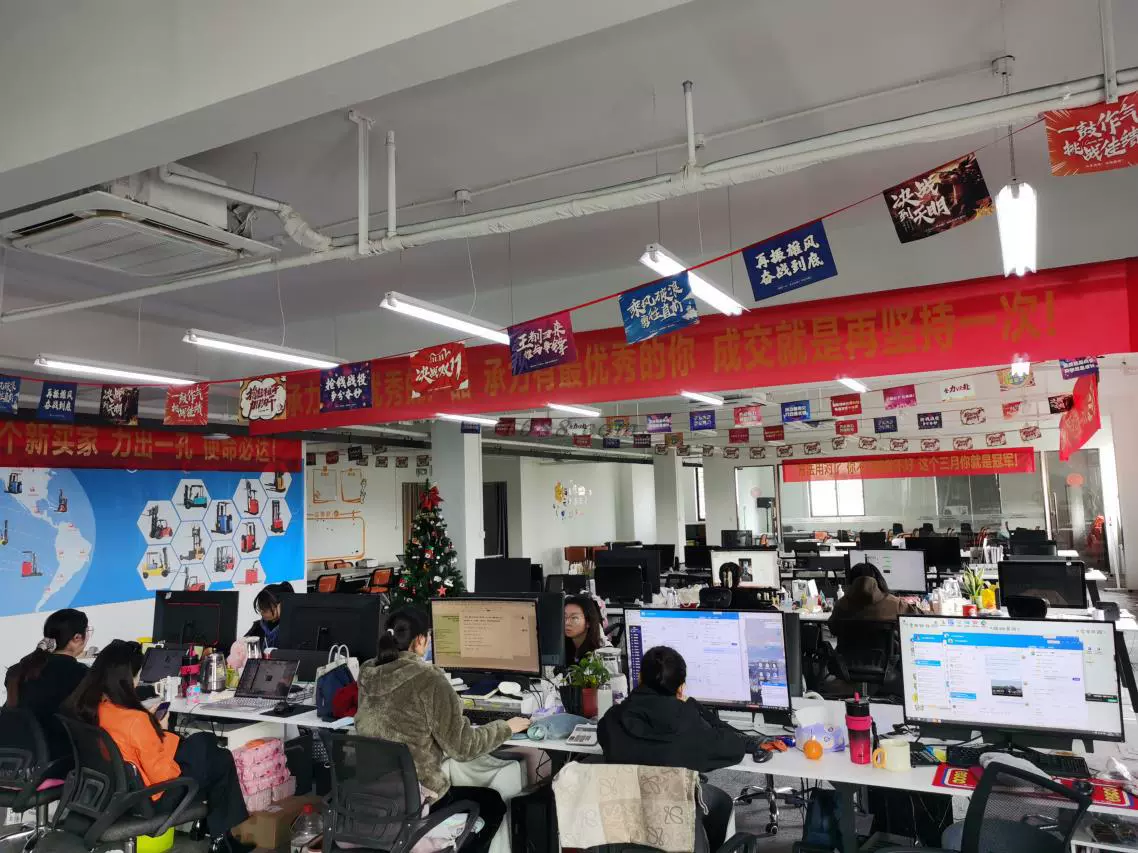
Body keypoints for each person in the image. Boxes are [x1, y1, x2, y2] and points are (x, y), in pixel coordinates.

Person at [355, 607, 530, 853]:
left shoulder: (368, 674)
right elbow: (463, 748)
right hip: (417, 801)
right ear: (421, 640)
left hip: (372, 797)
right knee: (492, 804)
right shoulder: (429, 678)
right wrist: (506, 727)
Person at [63, 640, 251, 853]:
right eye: (137, 675)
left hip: (111, 791)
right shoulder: (135, 720)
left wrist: (153, 730)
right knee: (217, 756)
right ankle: (221, 839)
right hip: (149, 798)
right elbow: (164, 776)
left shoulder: (92, 709)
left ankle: (220, 838)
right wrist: (155, 730)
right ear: (127, 678)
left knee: (203, 746)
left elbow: (130, 748)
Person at [597, 646, 744, 850]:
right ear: (681, 688)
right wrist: (696, 708)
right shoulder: (689, 724)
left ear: (640, 678)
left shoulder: (610, 720)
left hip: (624, 828)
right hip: (674, 827)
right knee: (721, 802)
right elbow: (735, 747)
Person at [4, 608, 90, 765]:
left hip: (17, 761)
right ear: (77, 638)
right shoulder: (80, 673)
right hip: (57, 760)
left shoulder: (21, 670)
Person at [830, 562, 920, 622]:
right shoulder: (896, 604)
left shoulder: (841, 605)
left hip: (849, 647)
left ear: (851, 582)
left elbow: (833, 629)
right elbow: (920, 617)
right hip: (887, 647)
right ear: (879, 580)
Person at [244, 582, 292, 647]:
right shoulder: (258, 627)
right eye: (260, 607)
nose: (262, 611)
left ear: (280, 605)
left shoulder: (292, 628)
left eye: (265, 607)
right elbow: (241, 645)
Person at [563, 594, 605, 665]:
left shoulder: (598, 654)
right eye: (564, 617)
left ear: (588, 622)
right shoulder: (563, 647)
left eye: (574, 618)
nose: (567, 623)